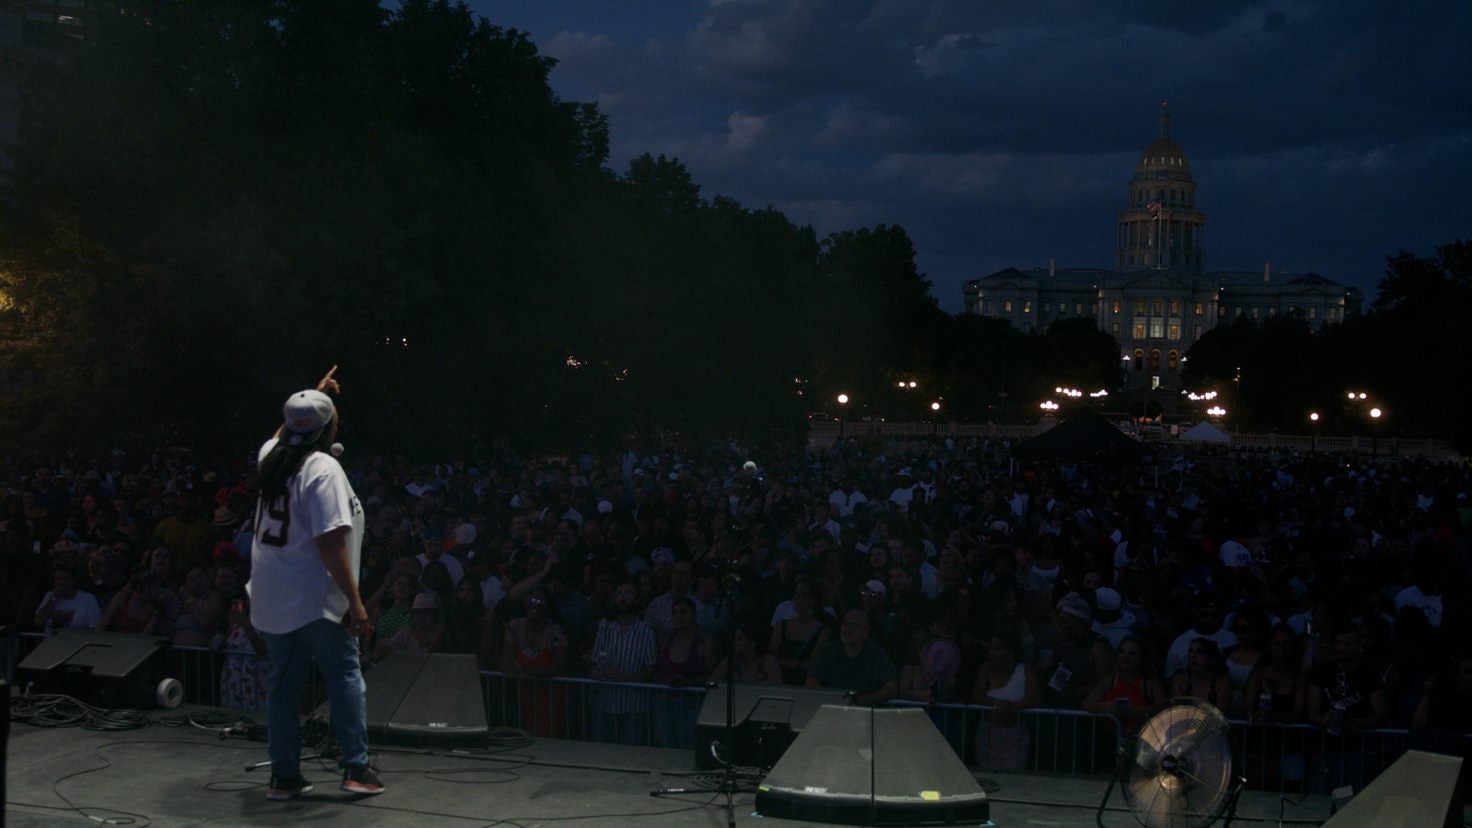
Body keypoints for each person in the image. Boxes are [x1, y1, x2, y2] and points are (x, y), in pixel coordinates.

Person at [247, 367, 383, 800]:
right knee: (344, 677)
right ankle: (356, 768)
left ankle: (283, 777)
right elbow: (329, 542)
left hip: (273, 595)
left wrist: (311, 400)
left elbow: (282, 434)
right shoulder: (322, 468)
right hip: (315, 597)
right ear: (331, 428)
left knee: (283, 687)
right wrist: (355, 601)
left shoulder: (272, 456)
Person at [806, 609, 898, 705]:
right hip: (831, 709)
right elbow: (811, 682)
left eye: (855, 626)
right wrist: (832, 699)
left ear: (867, 631)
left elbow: (891, 687)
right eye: (845, 624)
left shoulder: (877, 654)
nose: (848, 630)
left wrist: (866, 700)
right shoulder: (829, 651)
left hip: (864, 711)